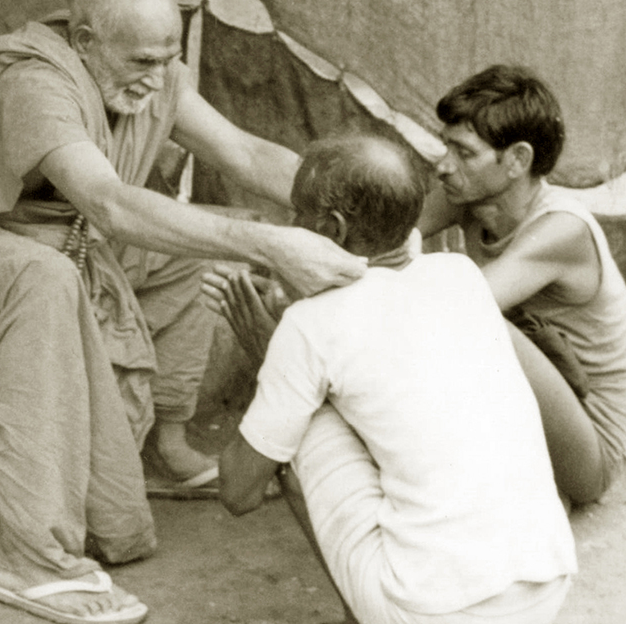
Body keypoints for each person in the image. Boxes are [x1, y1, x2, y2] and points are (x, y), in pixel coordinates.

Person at [0, 0, 365, 624]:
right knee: (43, 280)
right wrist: (270, 245)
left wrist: (359, 212)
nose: (156, 79)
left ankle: (164, 447)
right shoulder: (34, 83)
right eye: (141, 61)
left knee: (197, 243)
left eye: (167, 60)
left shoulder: (152, 74)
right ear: (84, 41)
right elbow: (107, 204)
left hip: (44, 226)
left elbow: (245, 154)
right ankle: (28, 557)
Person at [206, 134, 576, 624]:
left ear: (332, 229)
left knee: (302, 423)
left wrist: (268, 359)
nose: (289, 226)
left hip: (429, 612)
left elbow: (238, 492)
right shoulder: (461, 275)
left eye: (297, 214)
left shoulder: (310, 325)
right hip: (545, 586)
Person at [418, 64, 626, 506]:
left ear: (518, 160)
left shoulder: (562, 229)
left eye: (464, 152)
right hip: (532, 412)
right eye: (446, 145)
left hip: (592, 444)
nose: (444, 166)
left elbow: (459, 311)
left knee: (477, 322)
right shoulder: (468, 194)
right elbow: (388, 238)